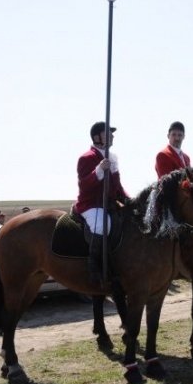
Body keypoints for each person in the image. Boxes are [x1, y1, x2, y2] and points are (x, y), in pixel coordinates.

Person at [74, 121, 130, 287]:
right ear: (97, 136)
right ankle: (94, 267)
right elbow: (84, 185)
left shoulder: (112, 158)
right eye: (108, 133)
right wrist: (99, 170)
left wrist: (128, 200)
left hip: (110, 203)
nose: (112, 136)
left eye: (111, 134)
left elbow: (118, 186)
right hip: (91, 204)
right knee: (101, 226)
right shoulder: (86, 158)